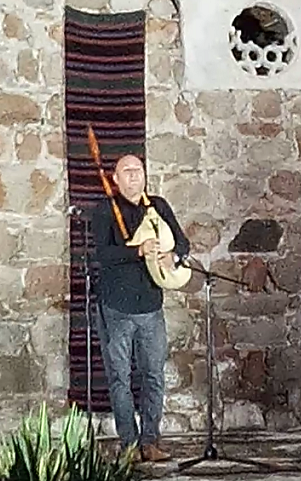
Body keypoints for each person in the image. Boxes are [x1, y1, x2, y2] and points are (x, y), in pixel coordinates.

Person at [90, 154, 190, 462]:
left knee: (153, 376)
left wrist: (173, 255)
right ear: (116, 178)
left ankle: (150, 442)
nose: (134, 175)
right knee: (120, 378)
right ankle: (129, 445)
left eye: (138, 170)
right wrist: (138, 250)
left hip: (150, 305)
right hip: (116, 306)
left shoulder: (157, 207)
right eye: (127, 171)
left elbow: (183, 243)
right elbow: (103, 254)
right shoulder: (105, 210)